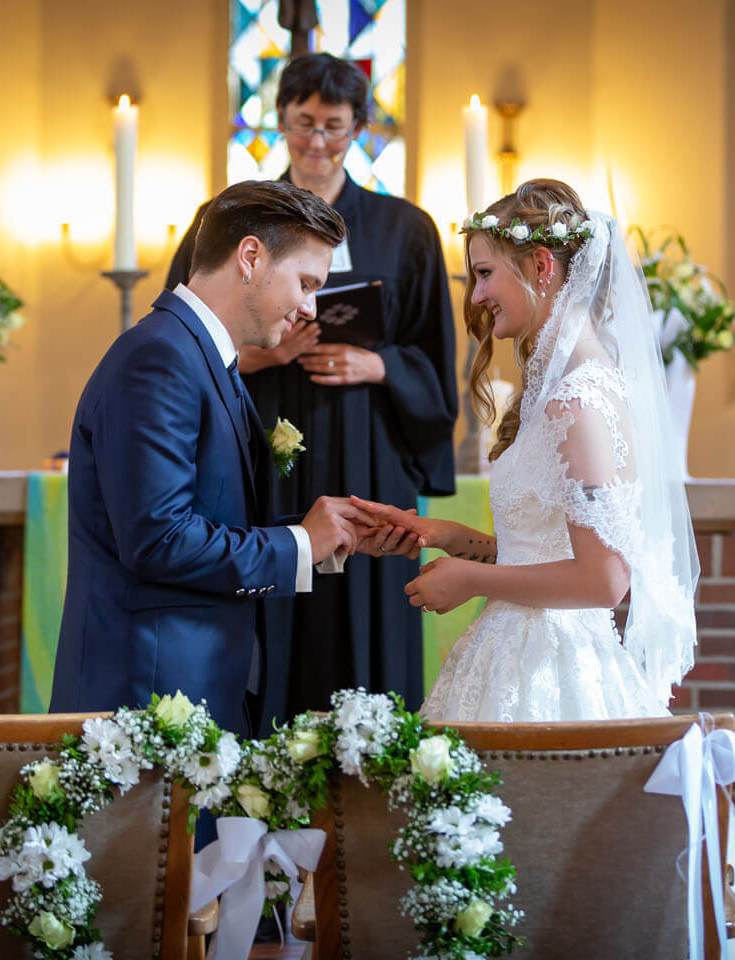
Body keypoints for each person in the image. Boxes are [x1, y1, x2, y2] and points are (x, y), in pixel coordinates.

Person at [358, 179, 735, 958]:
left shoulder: (580, 397)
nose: (476, 297)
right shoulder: (554, 389)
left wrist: (469, 582)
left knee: (542, 887)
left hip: (557, 669)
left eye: (484, 273)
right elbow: (555, 550)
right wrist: (452, 538)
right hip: (516, 649)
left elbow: (605, 581)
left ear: (541, 265)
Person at [167, 53, 458, 725]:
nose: (317, 143)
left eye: (334, 125)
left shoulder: (404, 228)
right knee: (270, 621)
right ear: (279, 121)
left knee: (365, 636)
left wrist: (378, 365)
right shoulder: (230, 216)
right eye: (303, 124)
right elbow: (185, 333)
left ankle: (370, 789)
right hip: (261, 452)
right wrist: (267, 355)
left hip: (369, 456)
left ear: (359, 126)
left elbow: (434, 360)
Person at [49, 179, 379, 739]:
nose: (309, 307)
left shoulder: (199, 354)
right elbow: (158, 541)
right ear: (250, 257)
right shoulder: (159, 358)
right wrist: (298, 544)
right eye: (305, 283)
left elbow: (206, 519)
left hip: (192, 684)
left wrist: (319, 534)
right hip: (147, 697)